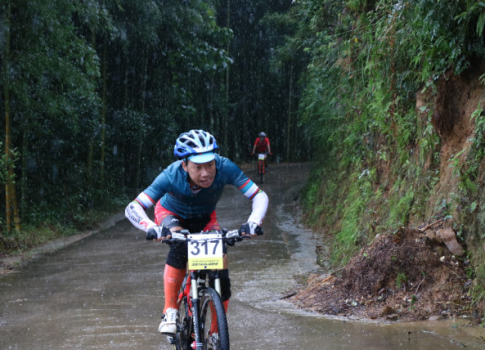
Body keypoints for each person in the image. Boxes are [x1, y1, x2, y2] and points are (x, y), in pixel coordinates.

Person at [125, 129, 269, 335]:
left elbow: (259, 195)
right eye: (198, 167)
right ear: (184, 165)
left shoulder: (225, 167)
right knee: (180, 245)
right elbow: (133, 207)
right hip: (171, 214)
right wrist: (151, 228)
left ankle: (217, 332)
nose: (206, 173)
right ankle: (170, 310)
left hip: (205, 217)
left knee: (221, 263)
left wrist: (253, 222)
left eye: (209, 165)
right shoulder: (171, 175)